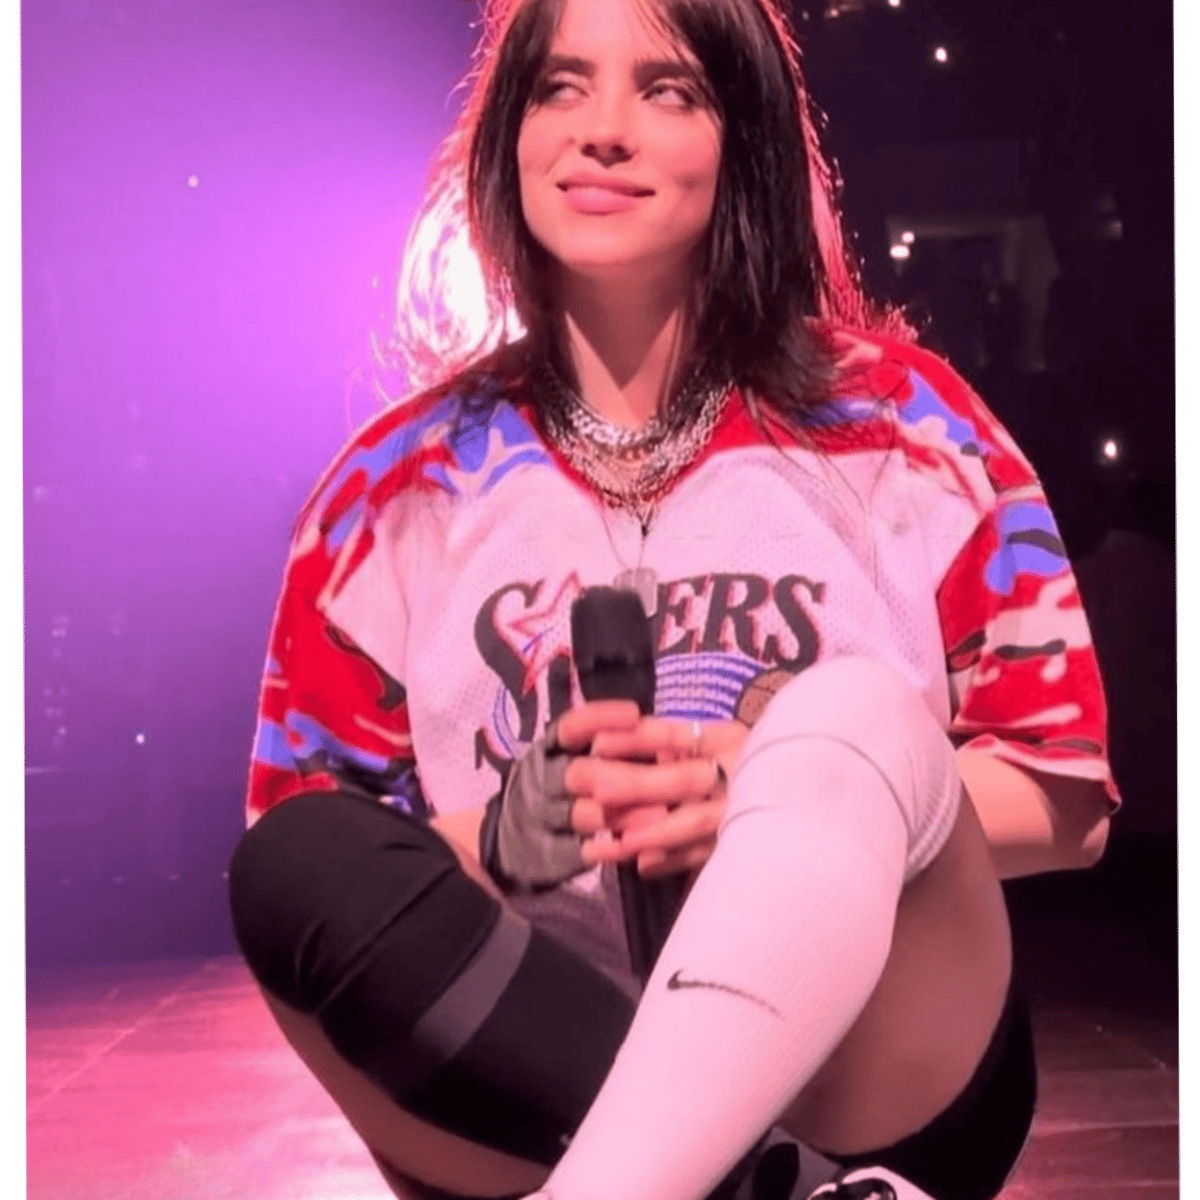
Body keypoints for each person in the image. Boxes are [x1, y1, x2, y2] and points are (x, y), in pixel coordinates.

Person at [227, 1, 1119, 1198]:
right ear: (509, 136)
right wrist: (503, 838)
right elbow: (334, 883)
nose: (602, 129)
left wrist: (789, 793)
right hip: (535, 1089)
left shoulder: (909, 430)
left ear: (744, 139)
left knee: (847, 716)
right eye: (560, 87)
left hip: (874, 1077)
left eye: (668, 90)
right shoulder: (389, 495)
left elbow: (1068, 802)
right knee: (286, 860)